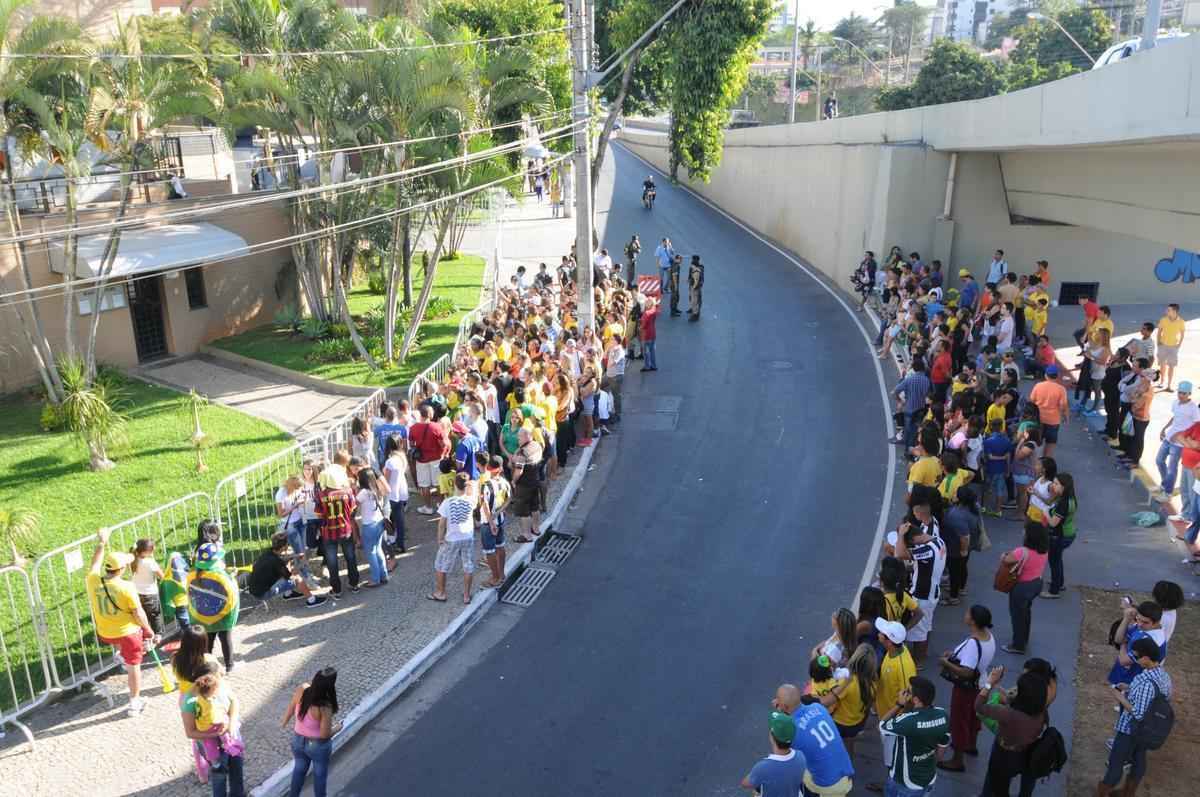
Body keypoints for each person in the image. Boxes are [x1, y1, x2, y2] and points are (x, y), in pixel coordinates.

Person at [86, 528, 159, 715]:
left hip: (105, 633)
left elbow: (95, 563)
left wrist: (102, 542)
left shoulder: (93, 580)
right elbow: (138, 613)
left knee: (122, 650)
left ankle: (120, 655)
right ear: (122, 569)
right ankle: (134, 703)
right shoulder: (127, 587)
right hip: (128, 634)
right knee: (135, 667)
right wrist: (149, 630)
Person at [1097, 637, 1172, 797]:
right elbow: (1156, 698)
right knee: (1139, 759)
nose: (1134, 658)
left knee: (1115, 763)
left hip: (1130, 730)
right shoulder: (1163, 676)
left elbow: (1138, 713)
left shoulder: (1147, 682)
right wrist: (1130, 688)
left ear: (1146, 658)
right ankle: (1128, 792)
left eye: (1136, 656)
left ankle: (1103, 792)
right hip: (1146, 730)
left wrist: (1119, 696)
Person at [937, 605, 995, 772]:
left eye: (968, 613)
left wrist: (946, 663)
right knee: (973, 716)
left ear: (973, 620)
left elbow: (967, 672)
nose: (965, 614)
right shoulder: (988, 637)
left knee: (959, 720)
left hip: (966, 689)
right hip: (981, 683)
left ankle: (957, 759)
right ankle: (971, 745)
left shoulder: (972, 643)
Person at [975, 666, 1048, 797]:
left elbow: (979, 706)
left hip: (1004, 755)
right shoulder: (1041, 711)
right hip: (1026, 752)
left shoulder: (1008, 714)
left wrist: (990, 683)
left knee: (999, 787)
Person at [772, 684, 854, 796]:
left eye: (778, 699)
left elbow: (781, 755)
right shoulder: (818, 707)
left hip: (828, 785)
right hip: (846, 770)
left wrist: (779, 715)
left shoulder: (792, 731)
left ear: (785, 707)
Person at [877, 676, 950, 797]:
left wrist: (899, 704)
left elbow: (881, 726)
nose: (905, 694)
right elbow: (943, 745)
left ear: (915, 700)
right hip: (929, 778)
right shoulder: (942, 714)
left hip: (905, 783)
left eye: (908, 692)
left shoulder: (907, 721)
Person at [894, 505, 946, 668]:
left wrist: (901, 536)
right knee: (926, 625)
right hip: (933, 591)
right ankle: (921, 655)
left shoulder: (927, 550)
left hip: (923, 594)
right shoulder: (938, 541)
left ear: (913, 540)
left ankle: (918, 662)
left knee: (919, 631)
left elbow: (899, 554)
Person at [181, 663, 244, 797]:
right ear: (206, 681)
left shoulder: (220, 685)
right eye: (219, 677)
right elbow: (190, 732)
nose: (222, 680)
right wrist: (216, 733)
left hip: (230, 735)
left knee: (237, 767)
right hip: (210, 743)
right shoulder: (190, 702)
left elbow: (234, 702)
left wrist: (232, 723)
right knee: (219, 774)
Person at [283, 667, 342, 797]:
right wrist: (338, 728)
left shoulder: (302, 689)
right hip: (317, 746)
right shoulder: (325, 707)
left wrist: (284, 722)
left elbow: (291, 707)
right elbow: (324, 735)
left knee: (299, 770)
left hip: (298, 740)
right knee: (319, 776)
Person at [188, 540, 240, 673]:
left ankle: (206, 666)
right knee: (226, 640)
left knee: (207, 643)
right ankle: (230, 666)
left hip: (203, 616)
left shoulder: (192, 575)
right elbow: (231, 593)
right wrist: (232, 576)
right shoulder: (221, 576)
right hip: (223, 617)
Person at [820, 643, 877, 756]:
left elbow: (825, 702)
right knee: (849, 746)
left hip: (839, 723)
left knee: (834, 748)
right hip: (857, 722)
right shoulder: (873, 682)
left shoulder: (846, 683)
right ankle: (849, 767)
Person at [1001, 522, 1049, 655]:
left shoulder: (1021, 552)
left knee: (1017, 616)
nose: (1023, 532)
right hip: (1036, 584)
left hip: (1021, 587)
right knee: (1026, 612)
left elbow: (1006, 560)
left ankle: (1018, 645)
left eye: (1025, 531)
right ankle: (1024, 637)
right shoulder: (1044, 550)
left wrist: (1004, 555)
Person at [430, 473, 477, 604]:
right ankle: (466, 595)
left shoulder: (447, 502)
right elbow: (474, 493)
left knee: (441, 565)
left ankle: (440, 592)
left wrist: (440, 539)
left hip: (452, 538)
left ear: (455, 484)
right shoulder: (471, 501)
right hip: (468, 537)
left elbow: (441, 524)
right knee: (468, 566)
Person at [248, 533, 327, 607]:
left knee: (279, 573)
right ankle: (312, 600)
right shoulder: (277, 562)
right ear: (283, 547)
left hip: (254, 590)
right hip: (262, 594)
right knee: (297, 579)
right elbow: (290, 575)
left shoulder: (268, 553)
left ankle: (288, 594)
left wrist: (295, 556)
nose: (288, 546)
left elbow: (281, 559)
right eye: (287, 544)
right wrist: (302, 563)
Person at [739, 711, 807, 797]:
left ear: (771, 736)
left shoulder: (762, 768)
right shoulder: (801, 756)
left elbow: (744, 784)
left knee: (755, 791)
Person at [316, 472, 359, 598]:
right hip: (345, 530)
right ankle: (354, 584)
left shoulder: (321, 495)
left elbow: (318, 515)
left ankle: (336, 589)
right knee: (350, 557)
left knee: (332, 562)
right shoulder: (348, 492)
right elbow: (352, 510)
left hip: (328, 533)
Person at [1153, 381, 1199, 502]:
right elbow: (1175, 417)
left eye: (1184, 393)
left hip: (1179, 444)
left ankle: (1167, 493)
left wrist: (1182, 436)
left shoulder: (1193, 409)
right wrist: (1164, 428)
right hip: (1168, 438)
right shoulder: (1175, 403)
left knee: (1172, 468)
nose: (1181, 395)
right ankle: (1165, 484)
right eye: (1179, 392)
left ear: (1189, 394)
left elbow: (1196, 425)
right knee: (1159, 461)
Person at [1107, 600, 1168, 686]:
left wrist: (1124, 643)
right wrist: (1126, 619)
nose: (1139, 624)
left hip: (1133, 682)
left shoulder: (1152, 641)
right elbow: (1118, 639)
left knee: (1121, 697)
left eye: (1145, 622)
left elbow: (1124, 661)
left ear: (1156, 622)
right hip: (1124, 674)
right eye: (1138, 619)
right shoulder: (1145, 627)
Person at [478, 453, 511, 589]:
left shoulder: (486, 485)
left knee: (489, 551)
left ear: (490, 468)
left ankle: (495, 577)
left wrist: (491, 523)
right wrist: (499, 511)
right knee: (500, 546)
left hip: (488, 523)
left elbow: (484, 504)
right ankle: (501, 574)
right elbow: (509, 498)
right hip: (501, 519)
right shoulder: (505, 482)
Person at [1042, 473, 1077, 598]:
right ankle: (1059, 583)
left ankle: (1054, 590)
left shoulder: (1063, 503)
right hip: (1069, 533)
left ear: (1064, 487)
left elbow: (1053, 523)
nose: (1053, 485)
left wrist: (1046, 512)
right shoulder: (1070, 498)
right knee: (1057, 559)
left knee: (1054, 562)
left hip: (1060, 536)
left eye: (1056, 484)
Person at [409, 405, 449, 514]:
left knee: (424, 485)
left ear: (420, 414)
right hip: (436, 459)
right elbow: (443, 444)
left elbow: (412, 445)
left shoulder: (413, 428)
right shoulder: (437, 427)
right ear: (430, 415)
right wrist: (444, 454)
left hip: (421, 460)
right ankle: (440, 505)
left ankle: (428, 507)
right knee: (438, 483)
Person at [1029, 365, 1069, 458]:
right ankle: (1045, 467)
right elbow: (1063, 405)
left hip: (1038, 420)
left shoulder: (1038, 386)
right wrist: (1066, 417)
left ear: (1046, 375)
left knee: (1036, 444)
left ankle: (1034, 465)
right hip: (1053, 421)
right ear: (1057, 376)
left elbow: (1031, 401)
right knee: (1050, 445)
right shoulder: (1061, 389)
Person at [892, 358, 932, 450]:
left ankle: (907, 447)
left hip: (909, 408)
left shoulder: (909, 380)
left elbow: (896, 391)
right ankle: (910, 446)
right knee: (915, 429)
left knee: (908, 428)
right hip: (921, 408)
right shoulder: (926, 380)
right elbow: (928, 395)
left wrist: (900, 401)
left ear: (914, 369)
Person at [382, 435, 409, 555]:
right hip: (402, 490)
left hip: (392, 493)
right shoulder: (402, 457)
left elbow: (386, 480)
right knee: (399, 518)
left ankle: (395, 542)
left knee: (391, 519)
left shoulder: (390, 461)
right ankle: (400, 542)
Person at [131, 538, 164, 635]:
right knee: (155, 616)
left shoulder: (133, 560)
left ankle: (145, 634)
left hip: (137, 593)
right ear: (147, 551)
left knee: (142, 616)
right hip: (150, 594)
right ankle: (158, 635)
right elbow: (161, 576)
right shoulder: (150, 563)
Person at [1155, 303, 1185, 391]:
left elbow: (1182, 334)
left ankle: (1169, 385)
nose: (1166, 311)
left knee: (1171, 366)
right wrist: (1158, 343)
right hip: (1163, 345)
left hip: (1173, 347)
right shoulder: (1163, 320)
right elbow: (1159, 332)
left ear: (1174, 311)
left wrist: (1179, 344)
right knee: (1162, 365)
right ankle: (1162, 381)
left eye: (1168, 310)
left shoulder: (1181, 321)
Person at [640, 296, 660, 372]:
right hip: (653, 333)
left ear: (650, 304)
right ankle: (653, 365)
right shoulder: (654, 310)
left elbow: (644, 325)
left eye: (647, 302)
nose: (645, 303)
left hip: (646, 334)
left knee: (646, 352)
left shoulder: (646, 313)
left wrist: (640, 328)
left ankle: (647, 366)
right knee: (652, 350)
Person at [687, 254, 704, 322]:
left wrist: (694, 286)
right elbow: (690, 274)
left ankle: (695, 314)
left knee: (696, 300)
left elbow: (697, 279)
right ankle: (692, 309)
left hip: (696, 286)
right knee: (691, 298)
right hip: (693, 285)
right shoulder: (694, 267)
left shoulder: (698, 268)